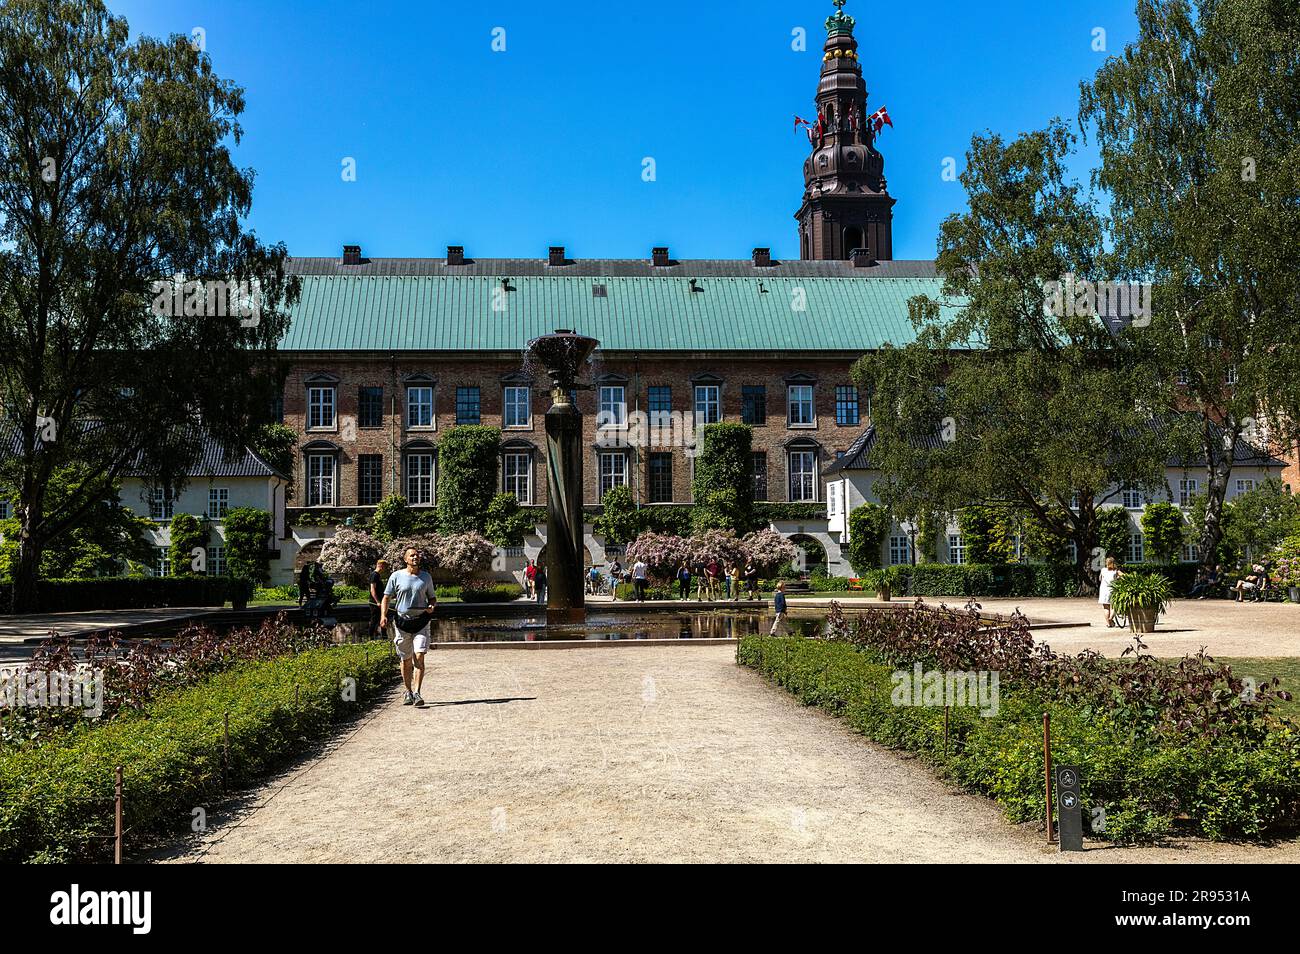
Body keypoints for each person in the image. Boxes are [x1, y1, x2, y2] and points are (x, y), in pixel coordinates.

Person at [380, 546, 437, 707]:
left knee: (419, 656)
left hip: (421, 622)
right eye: (412, 555)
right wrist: (383, 615)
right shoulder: (396, 576)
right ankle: (408, 691)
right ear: (405, 559)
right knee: (406, 660)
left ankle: (417, 693)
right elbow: (386, 598)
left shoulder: (426, 577)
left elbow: (432, 598)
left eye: (417, 555)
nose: (415, 557)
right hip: (401, 623)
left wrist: (432, 607)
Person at [1098, 556, 1123, 627]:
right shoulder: (1116, 571)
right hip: (1112, 590)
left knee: (1106, 607)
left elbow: (1100, 579)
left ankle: (1108, 623)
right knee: (1115, 606)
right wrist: (1118, 579)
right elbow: (1125, 576)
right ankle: (1110, 618)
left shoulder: (1103, 570)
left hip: (1103, 590)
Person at [367, 558, 389, 638]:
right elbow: (372, 590)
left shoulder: (377, 575)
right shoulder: (374, 575)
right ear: (380, 565)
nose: (385, 568)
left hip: (380, 601)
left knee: (382, 618)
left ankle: (384, 636)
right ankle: (371, 637)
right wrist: (378, 602)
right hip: (375, 602)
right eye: (384, 566)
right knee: (374, 620)